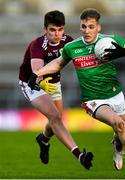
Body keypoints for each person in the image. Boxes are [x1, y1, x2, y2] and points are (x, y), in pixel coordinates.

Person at [28, 8, 125, 176]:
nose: (86, 31)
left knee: (121, 130)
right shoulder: (72, 47)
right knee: (119, 125)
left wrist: (124, 51)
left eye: (91, 27)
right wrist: (37, 74)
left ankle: (118, 145)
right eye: (83, 26)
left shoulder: (110, 40)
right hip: (94, 101)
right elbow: (57, 63)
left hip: (115, 95)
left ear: (98, 27)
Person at [19, 10, 93, 170]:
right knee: (55, 117)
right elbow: (36, 73)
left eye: (60, 30)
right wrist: (41, 83)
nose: (57, 34)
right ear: (45, 29)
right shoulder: (37, 45)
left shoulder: (69, 42)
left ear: (64, 29)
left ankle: (43, 139)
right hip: (32, 84)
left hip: (54, 83)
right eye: (52, 30)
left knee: (57, 119)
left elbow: (84, 58)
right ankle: (79, 155)